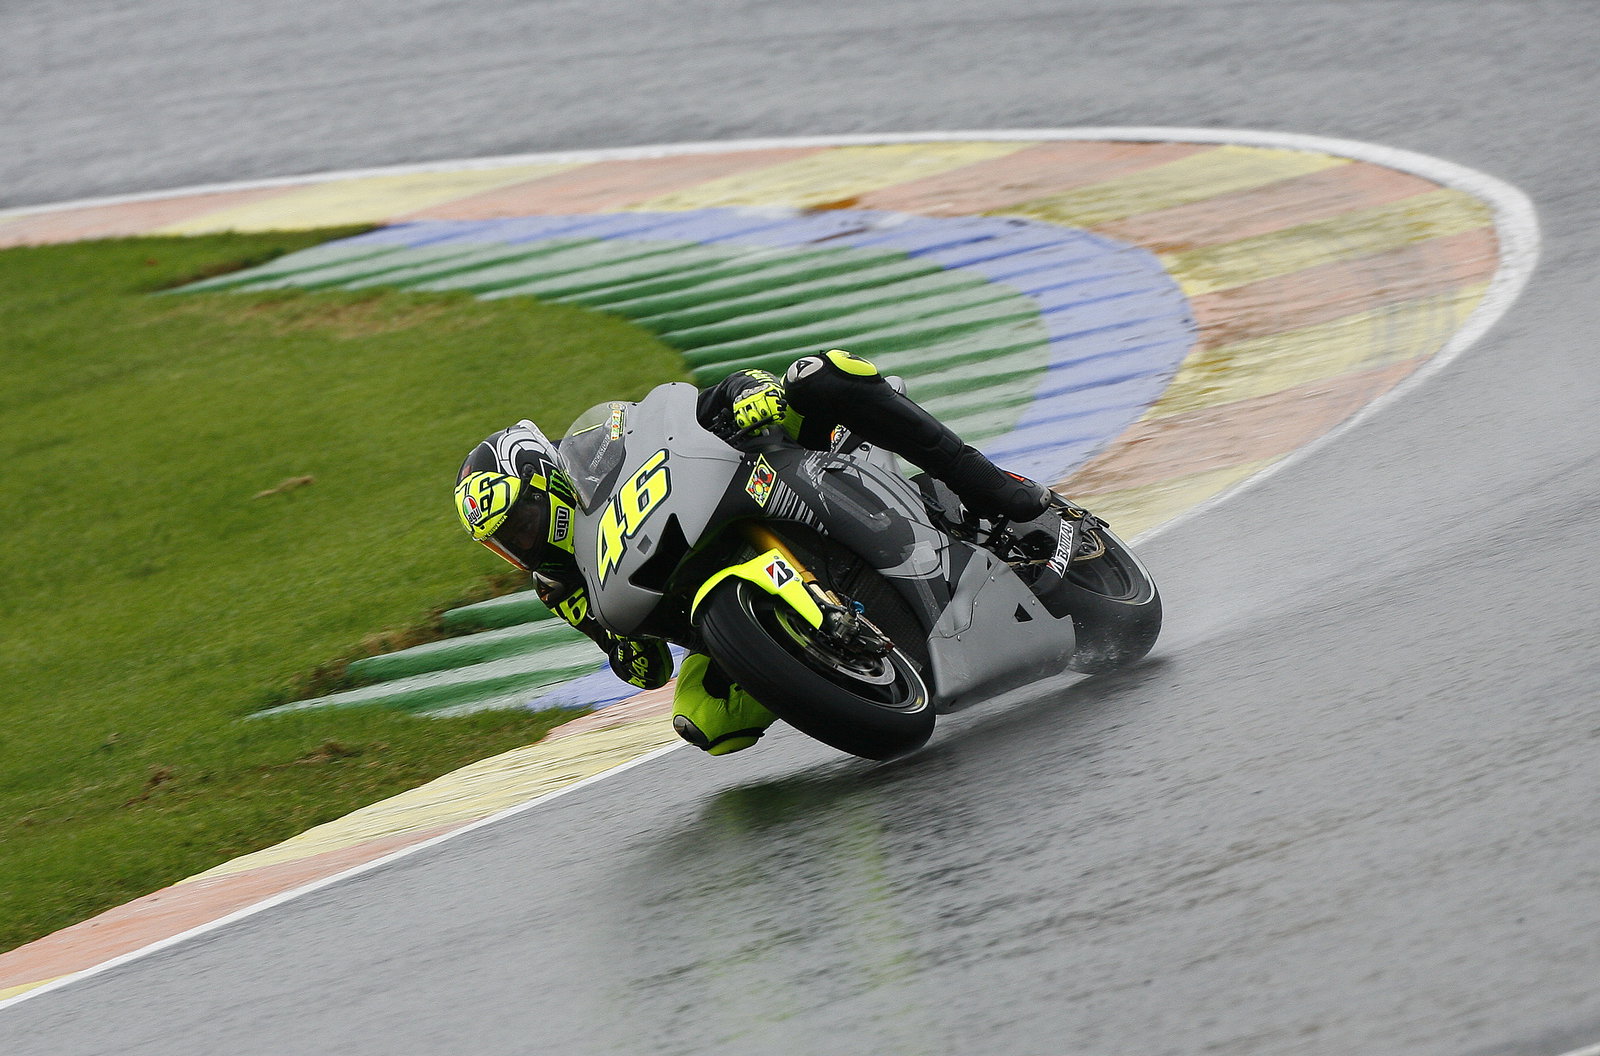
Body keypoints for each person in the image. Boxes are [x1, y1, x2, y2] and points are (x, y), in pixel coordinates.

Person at [453, 349, 1054, 756]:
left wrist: (743, 395)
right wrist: (626, 657)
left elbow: (674, 421)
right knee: (703, 719)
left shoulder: (597, 448)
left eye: (523, 522)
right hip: (706, 597)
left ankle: (995, 489)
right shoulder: (560, 587)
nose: (522, 544)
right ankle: (831, 667)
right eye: (506, 542)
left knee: (820, 373)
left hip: (759, 475)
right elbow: (644, 663)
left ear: (547, 482)